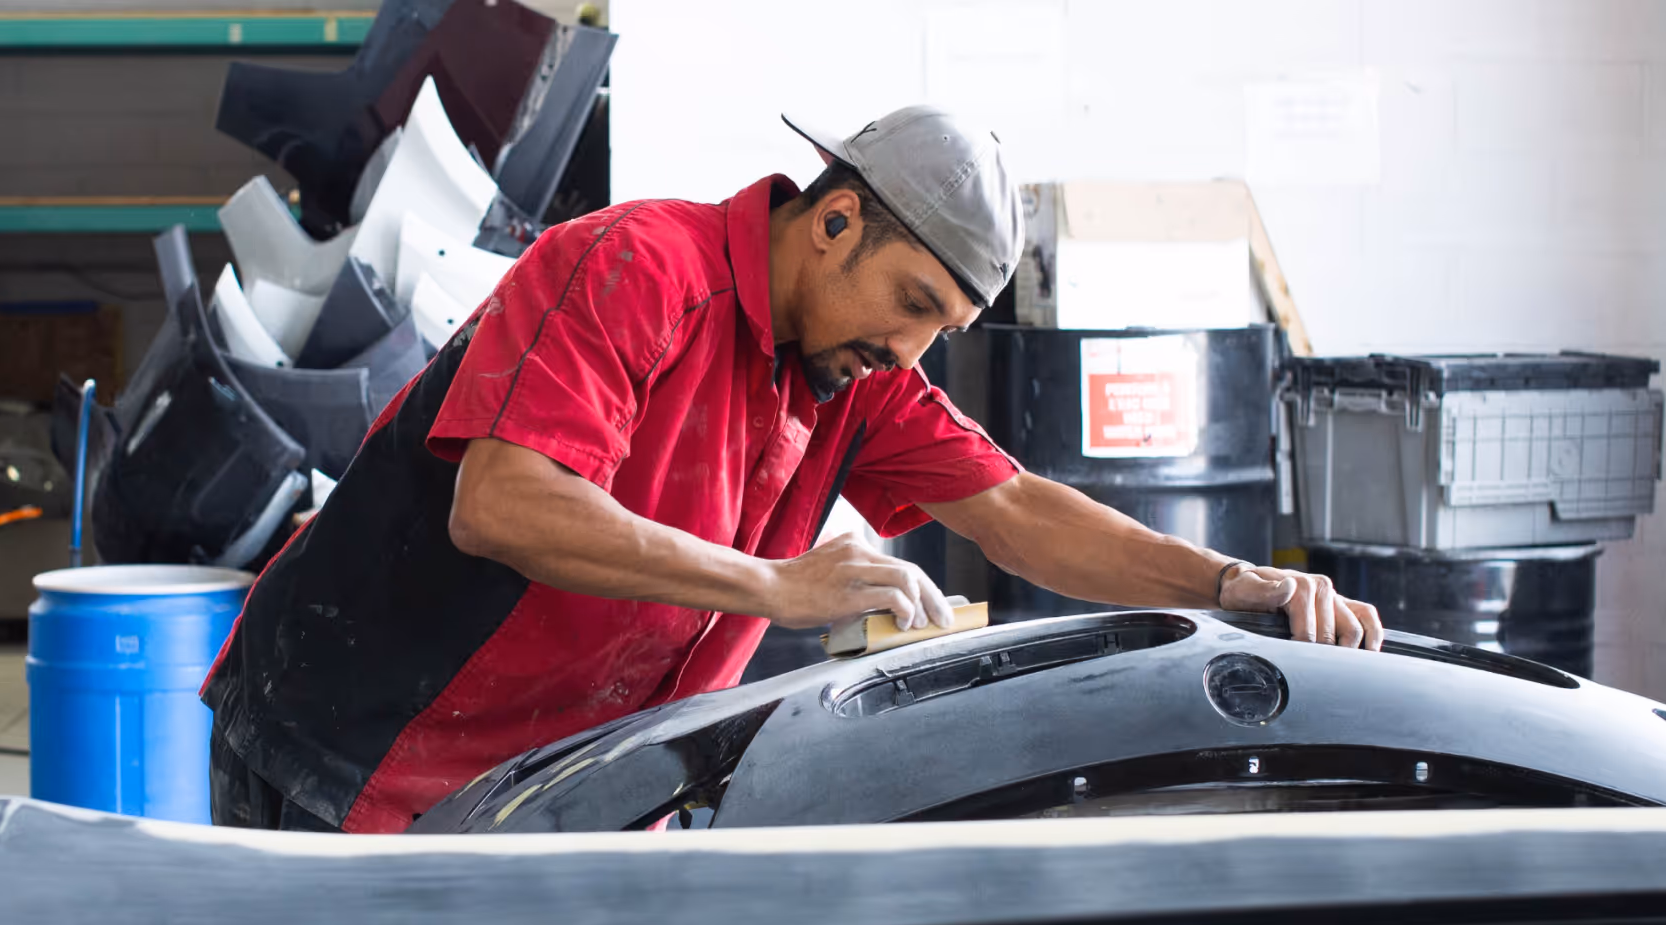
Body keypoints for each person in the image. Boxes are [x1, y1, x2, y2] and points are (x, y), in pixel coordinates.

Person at [202, 105, 1382, 834]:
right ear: (833, 223)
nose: (910, 350)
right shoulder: (636, 268)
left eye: (943, 330)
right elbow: (505, 501)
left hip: (560, 786)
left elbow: (1019, 511)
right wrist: (780, 587)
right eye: (911, 302)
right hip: (357, 744)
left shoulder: (853, 379)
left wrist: (1231, 585)